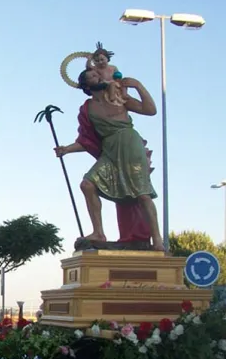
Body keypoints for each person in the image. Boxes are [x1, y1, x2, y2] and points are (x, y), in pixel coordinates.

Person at [56, 68, 163, 250]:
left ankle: (157, 240)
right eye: (92, 77)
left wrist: (137, 85)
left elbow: (150, 110)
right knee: (87, 184)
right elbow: (86, 140)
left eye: (98, 75)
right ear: (86, 85)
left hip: (130, 145)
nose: (97, 77)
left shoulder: (118, 97)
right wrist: (66, 149)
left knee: (143, 195)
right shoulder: (87, 109)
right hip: (110, 151)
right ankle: (98, 232)